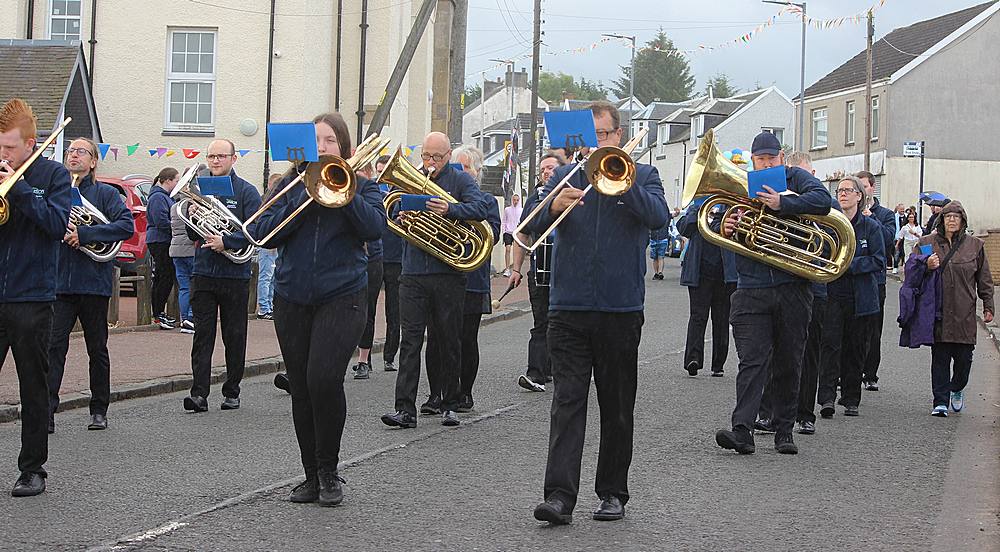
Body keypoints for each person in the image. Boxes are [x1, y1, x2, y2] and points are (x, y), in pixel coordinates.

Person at [530, 101, 668, 525]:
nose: (598, 143)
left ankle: (612, 492)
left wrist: (624, 186)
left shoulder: (644, 175)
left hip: (619, 309)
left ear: (619, 136)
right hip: (568, 307)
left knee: (617, 403)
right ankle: (558, 497)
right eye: (591, 137)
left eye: (605, 135)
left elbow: (660, 218)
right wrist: (552, 206)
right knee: (567, 401)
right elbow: (528, 227)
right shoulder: (563, 177)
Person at [252, 112, 386, 506]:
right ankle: (310, 476)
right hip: (292, 296)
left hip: (343, 295)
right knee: (302, 388)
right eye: (316, 141)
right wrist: (306, 198)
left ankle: (329, 471)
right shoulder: (287, 187)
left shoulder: (363, 185)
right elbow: (263, 233)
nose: (322, 147)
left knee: (324, 378)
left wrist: (339, 196)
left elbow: (374, 228)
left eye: (329, 141)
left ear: (343, 148)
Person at [714, 131, 832, 456]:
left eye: (771, 158)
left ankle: (784, 430)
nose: (765, 163)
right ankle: (742, 430)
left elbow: (824, 202)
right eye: (760, 159)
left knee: (789, 360)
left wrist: (784, 202)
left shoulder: (796, 178)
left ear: (781, 157)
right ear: (752, 160)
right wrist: (725, 225)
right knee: (752, 361)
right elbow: (711, 218)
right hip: (751, 287)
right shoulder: (740, 183)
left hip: (792, 285)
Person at [380, 132, 491, 428]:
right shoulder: (414, 177)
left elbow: (481, 208)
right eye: (426, 156)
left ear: (448, 156)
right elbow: (390, 209)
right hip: (413, 273)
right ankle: (405, 409)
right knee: (410, 342)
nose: (429, 162)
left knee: (449, 339)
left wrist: (451, 209)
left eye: (436, 157)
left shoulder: (460, 180)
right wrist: (402, 218)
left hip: (448, 275)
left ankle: (450, 404)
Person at [0, 98, 71, 497]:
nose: (3, 154)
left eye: (9, 147)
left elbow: (57, 224)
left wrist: (22, 189)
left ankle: (32, 469)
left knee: (32, 385)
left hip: (32, 296)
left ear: (30, 143)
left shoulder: (53, 176)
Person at [48, 137, 134, 433]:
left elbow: (126, 226)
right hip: (60, 283)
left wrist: (84, 235)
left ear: (93, 161)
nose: (73, 155)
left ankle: (99, 410)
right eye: (70, 151)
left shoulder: (106, 194)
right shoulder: (57, 192)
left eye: (81, 152)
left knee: (97, 349)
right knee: (53, 348)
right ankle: (46, 411)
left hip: (93, 282)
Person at [182, 139, 262, 413]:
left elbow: (255, 231)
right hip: (203, 272)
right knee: (202, 335)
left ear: (233, 159)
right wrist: (192, 216)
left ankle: (232, 390)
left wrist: (226, 242)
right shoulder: (200, 190)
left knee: (234, 334)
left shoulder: (247, 192)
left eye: (221, 156)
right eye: (211, 156)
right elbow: (193, 233)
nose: (215, 161)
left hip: (235, 274)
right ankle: (199, 394)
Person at [423, 145, 500, 412]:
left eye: (466, 167)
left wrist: (456, 211)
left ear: (476, 172)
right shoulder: (435, 198)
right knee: (435, 338)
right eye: (457, 167)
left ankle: (463, 392)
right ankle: (436, 394)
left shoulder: (487, 202)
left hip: (472, 279)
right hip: (442, 275)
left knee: (465, 339)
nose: (461, 172)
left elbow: (493, 236)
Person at [916, 201, 994, 417]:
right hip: (938, 310)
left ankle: (957, 388)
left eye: (956, 217)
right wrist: (925, 265)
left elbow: (984, 279)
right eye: (948, 216)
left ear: (962, 220)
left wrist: (988, 305)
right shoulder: (926, 242)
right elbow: (913, 271)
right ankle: (940, 401)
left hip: (964, 312)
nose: (951, 220)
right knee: (940, 358)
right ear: (941, 220)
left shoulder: (975, 246)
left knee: (964, 360)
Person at [816, 176, 885, 419]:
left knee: (855, 349)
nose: (843, 194)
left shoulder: (871, 226)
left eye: (848, 190)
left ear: (859, 196)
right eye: (840, 191)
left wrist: (848, 265)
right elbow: (821, 253)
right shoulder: (830, 224)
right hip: (833, 294)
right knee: (830, 346)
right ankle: (826, 398)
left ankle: (851, 398)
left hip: (861, 298)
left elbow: (879, 260)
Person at [513, 154, 561, 392]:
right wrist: (515, 269)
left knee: (560, 323)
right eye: (543, 169)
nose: (546, 172)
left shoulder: (572, 192)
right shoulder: (535, 197)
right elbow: (522, 232)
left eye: (551, 168)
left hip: (565, 271)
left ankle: (553, 367)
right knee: (541, 322)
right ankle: (536, 373)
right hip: (539, 269)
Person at [677, 202, 736, 377]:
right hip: (700, 272)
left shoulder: (731, 206)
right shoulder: (698, 205)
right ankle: (693, 359)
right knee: (697, 316)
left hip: (725, 274)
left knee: (721, 319)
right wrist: (700, 213)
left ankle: (718, 364)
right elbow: (683, 227)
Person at [855, 170, 895, 392]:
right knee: (849, 328)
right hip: (850, 279)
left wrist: (873, 220)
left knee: (872, 329)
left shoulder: (886, 214)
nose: (861, 190)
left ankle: (870, 373)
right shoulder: (849, 213)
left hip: (874, 280)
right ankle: (849, 372)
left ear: (871, 188)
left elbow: (888, 241)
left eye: (864, 186)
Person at [351, 199, 384, 380]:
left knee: (367, 310)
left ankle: (364, 360)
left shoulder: (370, 191)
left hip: (371, 258)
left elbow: (378, 226)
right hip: (345, 258)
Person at [377, 155, 403, 372]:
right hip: (376, 256)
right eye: (379, 171)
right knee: (366, 308)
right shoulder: (371, 192)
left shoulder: (401, 196)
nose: (381, 176)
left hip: (395, 258)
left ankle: (389, 356)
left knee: (394, 311)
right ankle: (363, 359)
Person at [146, 167, 179, 329]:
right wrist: (178, 229)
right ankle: (157, 313)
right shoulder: (158, 197)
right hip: (160, 240)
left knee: (164, 276)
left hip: (162, 239)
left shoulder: (164, 197)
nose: (178, 184)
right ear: (167, 181)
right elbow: (161, 221)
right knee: (164, 276)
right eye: (176, 181)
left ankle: (159, 311)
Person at [169, 171, 196, 334]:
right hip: (190, 249)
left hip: (176, 249)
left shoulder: (174, 206)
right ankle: (191, 319)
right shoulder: (192, 205)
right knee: (194, 286)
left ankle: (184, 318)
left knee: (184, 287)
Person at [255, 173, 282, 321]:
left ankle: (269, 306)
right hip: (267, 244)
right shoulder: (266, 201)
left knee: (272, 278)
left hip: (275, 243)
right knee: (266, 276)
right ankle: (263, 308)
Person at [501, 193, 522, 276]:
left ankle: (516, 270)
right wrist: (504, 231)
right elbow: (504, 221)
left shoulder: (521, 210)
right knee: (508, 249)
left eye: (517, 200)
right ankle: (507, 269)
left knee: (517, 252)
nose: (515, 202)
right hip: (508, 232)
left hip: (517, 232)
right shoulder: (507, 209)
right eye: (514, 200)